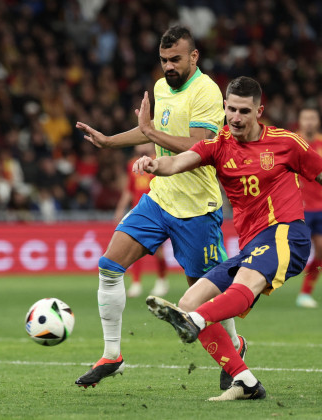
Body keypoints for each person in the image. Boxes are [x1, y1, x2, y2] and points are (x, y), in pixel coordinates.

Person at [75, 26, 245, 389]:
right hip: (159, 197)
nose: (168, 66)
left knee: (202, 293)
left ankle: (237, 344)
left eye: (175, 59)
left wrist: (151, 134)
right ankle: (112, 354)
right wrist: (109, 142)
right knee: (109, 265)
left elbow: (198, 147)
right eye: (163, 60)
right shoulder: (161, 87)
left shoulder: (207, 92)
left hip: (197, 208)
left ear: (194, 56)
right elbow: (147, 129)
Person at [133, 76, 322, 401]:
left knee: (235, 288)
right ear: (224, 107)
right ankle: (245, 382)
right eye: (231, 108)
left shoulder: (286, 143)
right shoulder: (217, 144)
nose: (235, 116)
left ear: (258, 111)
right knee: (190, 300)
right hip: (252, 246)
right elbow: (177, 161)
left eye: (243, 111)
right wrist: (153, 163)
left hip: (286, 234)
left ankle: (194, 322)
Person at [114, 143, 169, 298]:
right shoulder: (132, 164)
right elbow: (129, 190)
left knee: (158, 250)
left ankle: (161, 281)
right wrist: (120, 209)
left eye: (143, 141)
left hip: (156, 210)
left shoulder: (159, 161)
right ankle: (136, 283)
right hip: (138, 212)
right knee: (133, 246)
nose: (140, 145)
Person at [295, 107, 322, 308]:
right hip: (298, 207)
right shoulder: (293, 142)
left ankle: (305, 293)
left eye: (313, 118)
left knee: (321, 251)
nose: (309, 122)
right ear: (300, 121)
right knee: (288, 253)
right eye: (306, 118)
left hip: (320, 207)